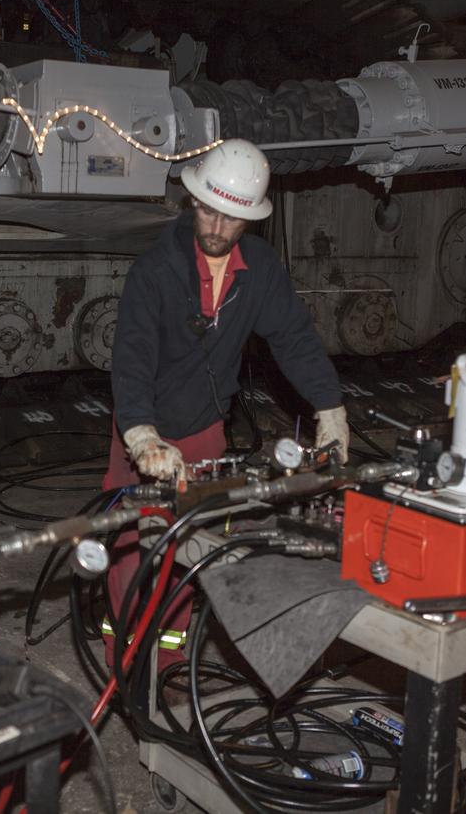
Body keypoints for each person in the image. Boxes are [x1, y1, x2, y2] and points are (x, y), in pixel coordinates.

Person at [100, 138, 348, 670]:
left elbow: (295, 340)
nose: (215, 228)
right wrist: (141, 435)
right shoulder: (155, 271)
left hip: (206, 430)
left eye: (230, 219)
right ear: (193, 202)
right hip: (147, 428)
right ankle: (122, 662)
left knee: (192, 550)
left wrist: (331, 408)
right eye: (208, 211)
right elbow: (133, 357)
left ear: (249, 221)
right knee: (129, 551)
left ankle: (166, 667)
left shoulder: (258, 269)